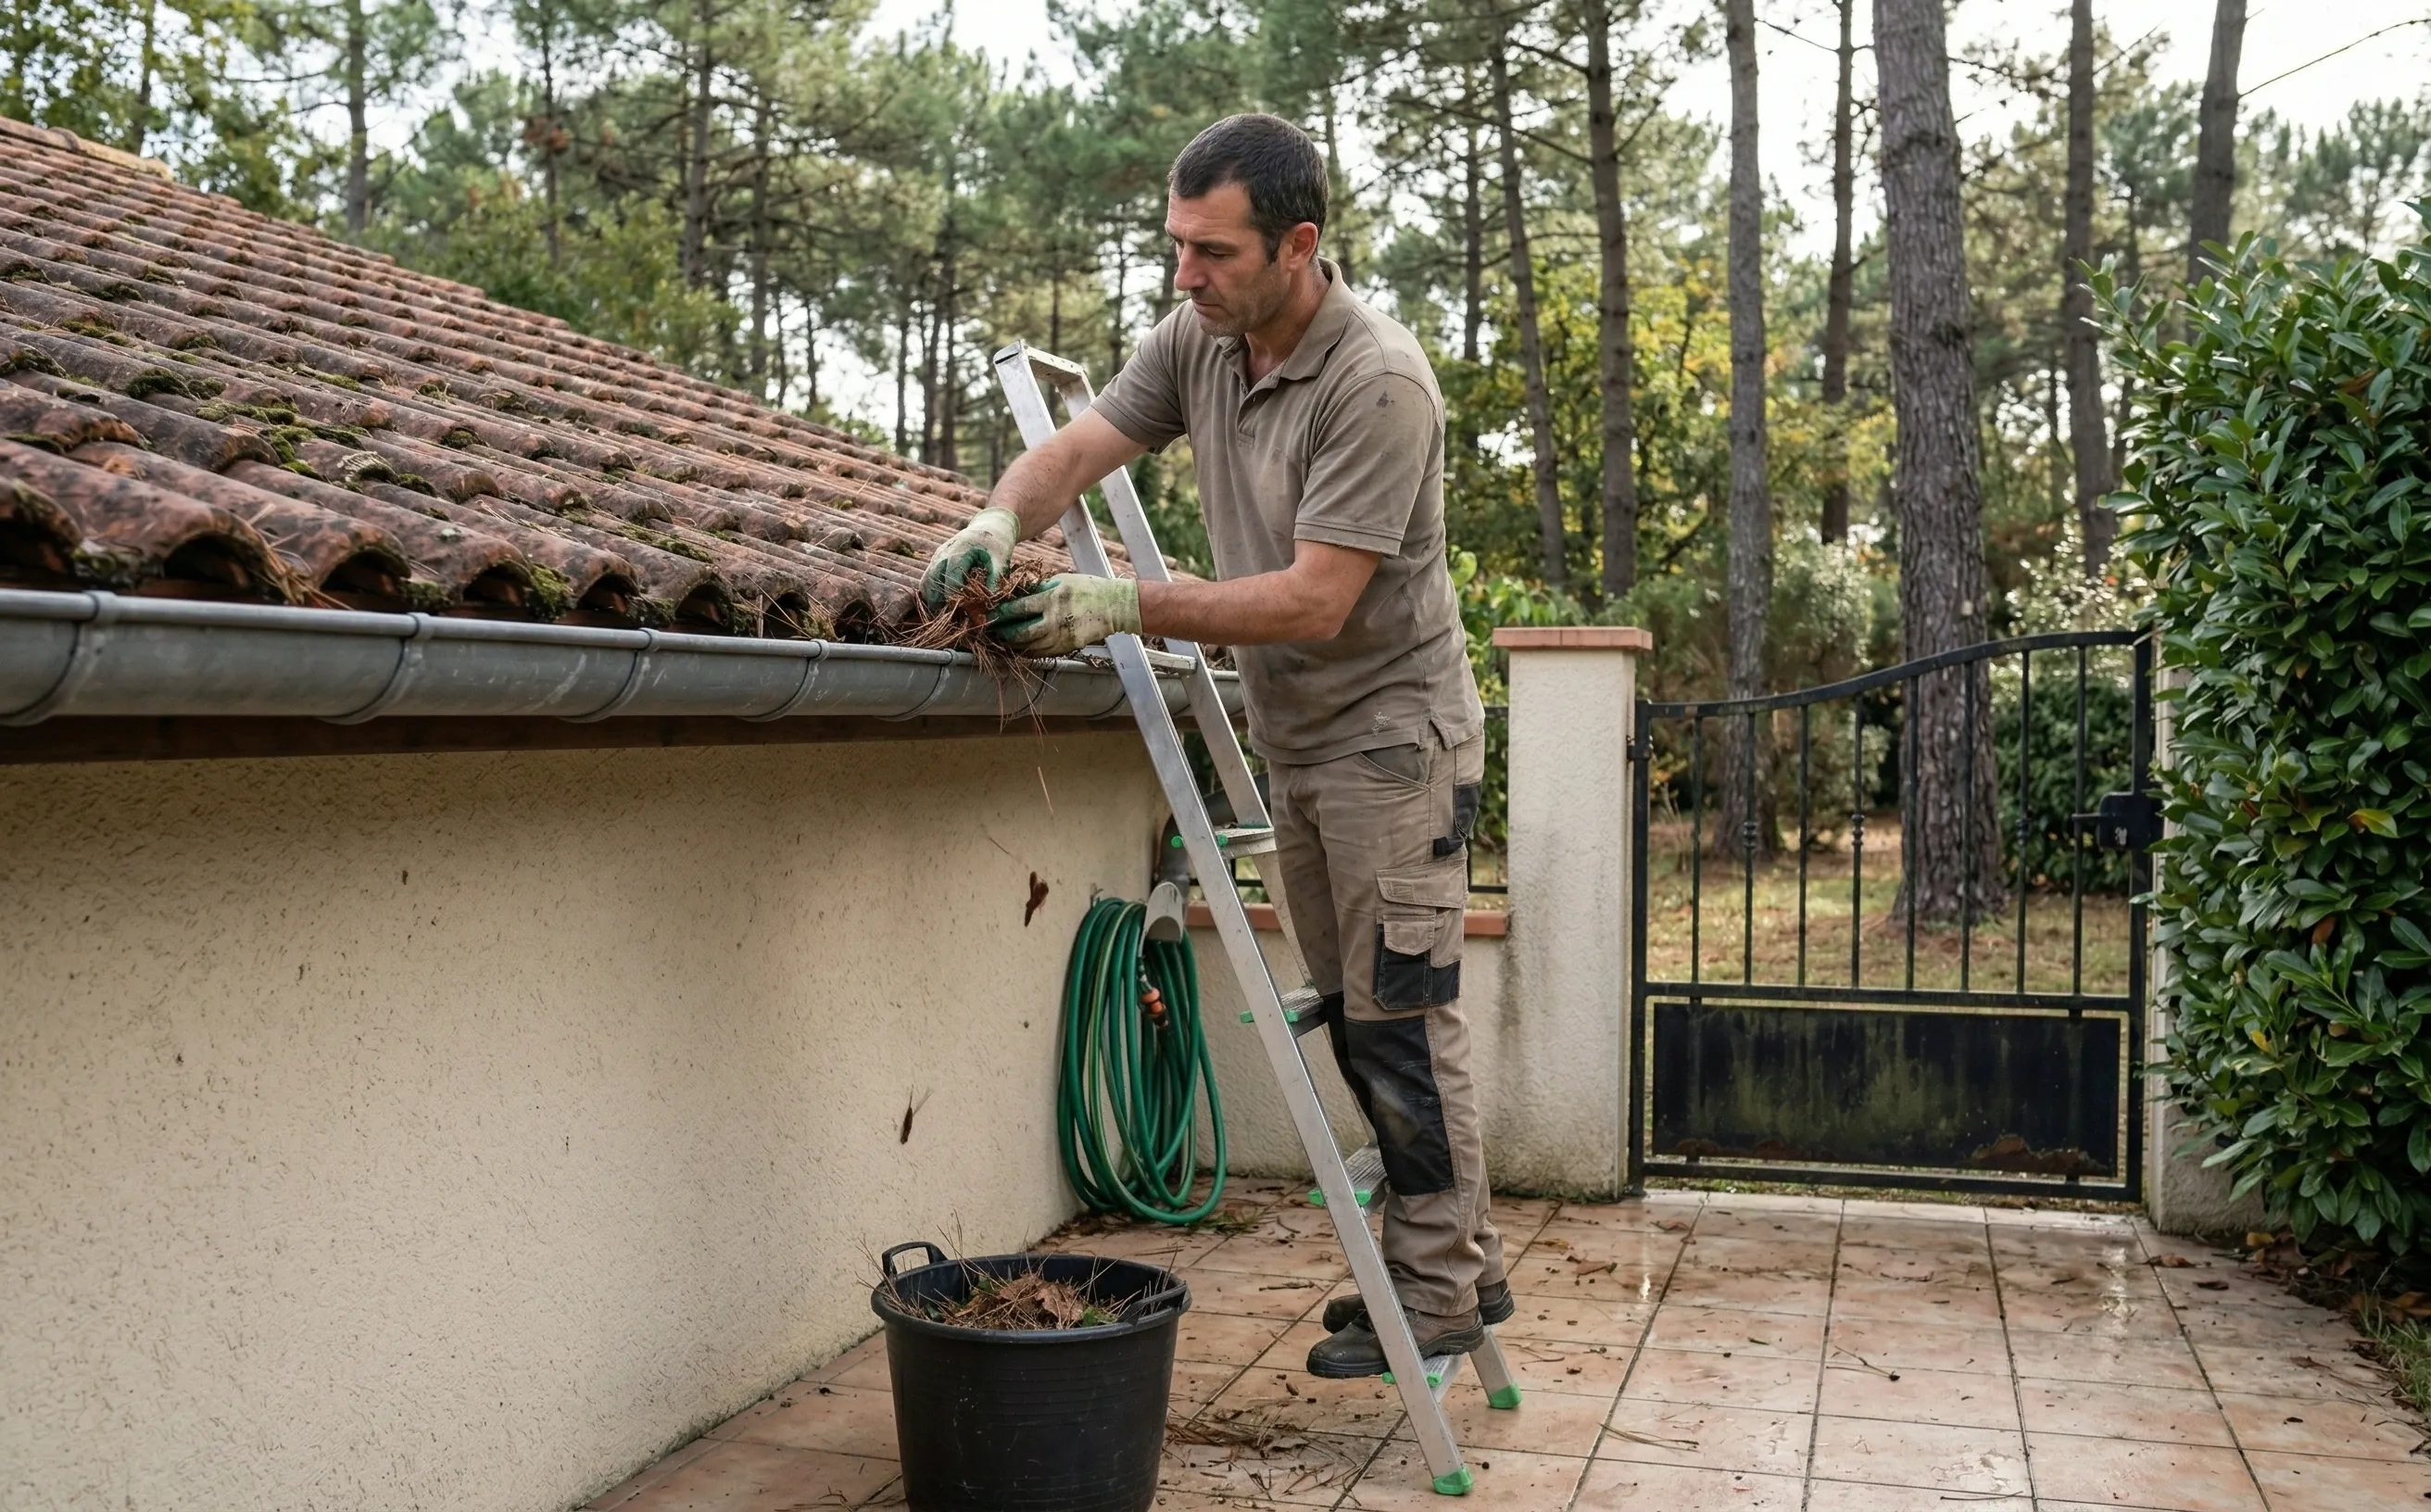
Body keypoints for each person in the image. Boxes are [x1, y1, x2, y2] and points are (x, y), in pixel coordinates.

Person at [918, 112, 1506, 1378]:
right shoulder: (1204, 338)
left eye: (1213, 251)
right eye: (1176, 246)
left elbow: (1314, 601)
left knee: (1402, 1024)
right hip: (1298, 740)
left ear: (1298, 246)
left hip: (1393, 745)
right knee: (1356, 1021)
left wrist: (1119, 603)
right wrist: (992, 517)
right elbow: (1081, 450)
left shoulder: (1377, 381)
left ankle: (1442, 1291)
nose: (1183, 275)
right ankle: (1456, 1256)